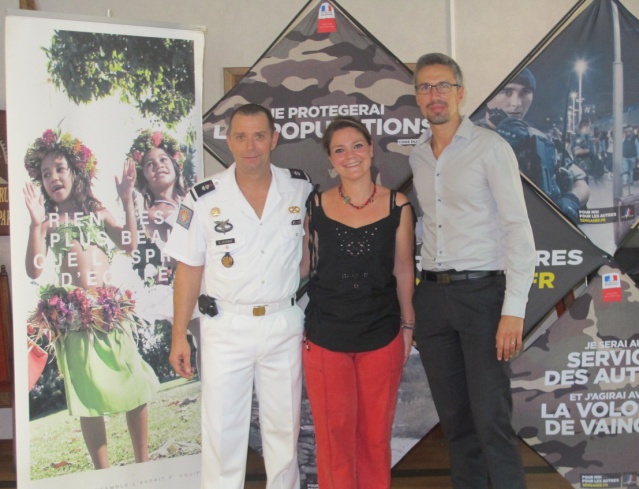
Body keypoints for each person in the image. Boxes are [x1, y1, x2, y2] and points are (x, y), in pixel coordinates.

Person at [165, 103, 312, 489]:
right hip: (226, 326)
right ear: (228, 141)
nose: (251, 146)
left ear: (274, 139)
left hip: (282, 323)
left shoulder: (299, 188)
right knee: (222, 433)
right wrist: (179, 334)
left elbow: (307, 257)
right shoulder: (204, 197)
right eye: (242, 137)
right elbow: (189, 268)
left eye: (260, 136)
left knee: (284, 432)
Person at [409, 53, 536, 489]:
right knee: (456, 424)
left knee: (491, 420)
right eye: (425, 87)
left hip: (483, 298)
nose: (435, 94)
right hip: (433, 299)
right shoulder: (418, 157)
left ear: (460, 93)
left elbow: (518, 229)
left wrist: (513, 309)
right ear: (417, 97)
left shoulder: (490, 148)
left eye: (443, 85)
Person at [23, 128, 159, 469]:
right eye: (45, 174)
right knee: (87, 395)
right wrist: (35, 225)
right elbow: (34, 269)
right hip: (74, 318)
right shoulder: (48, 223)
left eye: (59, 169)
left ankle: (143, 462)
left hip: (108, 312)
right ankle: (102, 473)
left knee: (133, 382)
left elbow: (129, 243)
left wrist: (126, 200)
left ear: (76, 172)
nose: (53, 177)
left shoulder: (98, 212)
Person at [301, 116, 415, 489]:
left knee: (375, 439)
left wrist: (408, 326)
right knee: (333, 440)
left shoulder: (398, 205)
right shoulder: (315, 206)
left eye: (357, 146)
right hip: (325, 338)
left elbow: (403, 270)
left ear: (371, 149)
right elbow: (303, 266)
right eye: (339, 150)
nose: (350, 155)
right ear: (330, 161)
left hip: (381, 335)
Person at [127, 129, 201, 372]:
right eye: (150, 164)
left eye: (163, 159)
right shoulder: (155, 212)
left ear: (175, 164)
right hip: (188, 284)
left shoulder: (190, 199)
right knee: (206, 340)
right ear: (144, 177)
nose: (158, 166)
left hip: (210, 278)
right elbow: (186, 241)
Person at [479, 68, 589, 223]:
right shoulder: (467, 138)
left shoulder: (540, 138)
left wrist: (571, 200)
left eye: (525, 92)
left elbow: (581, 181)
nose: (517, 104)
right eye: (506, 92)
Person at [622, 126, 639, 195]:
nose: (627, 133)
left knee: (631, 169)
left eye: (629, 131)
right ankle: (624, 182)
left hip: (632, 157)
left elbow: (637, 148)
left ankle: (631, 180)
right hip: (624, 156)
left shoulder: (635, 139)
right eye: (626, 132)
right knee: (624, 169)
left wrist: (638, 157)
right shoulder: (623, 139)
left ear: (631, 132)